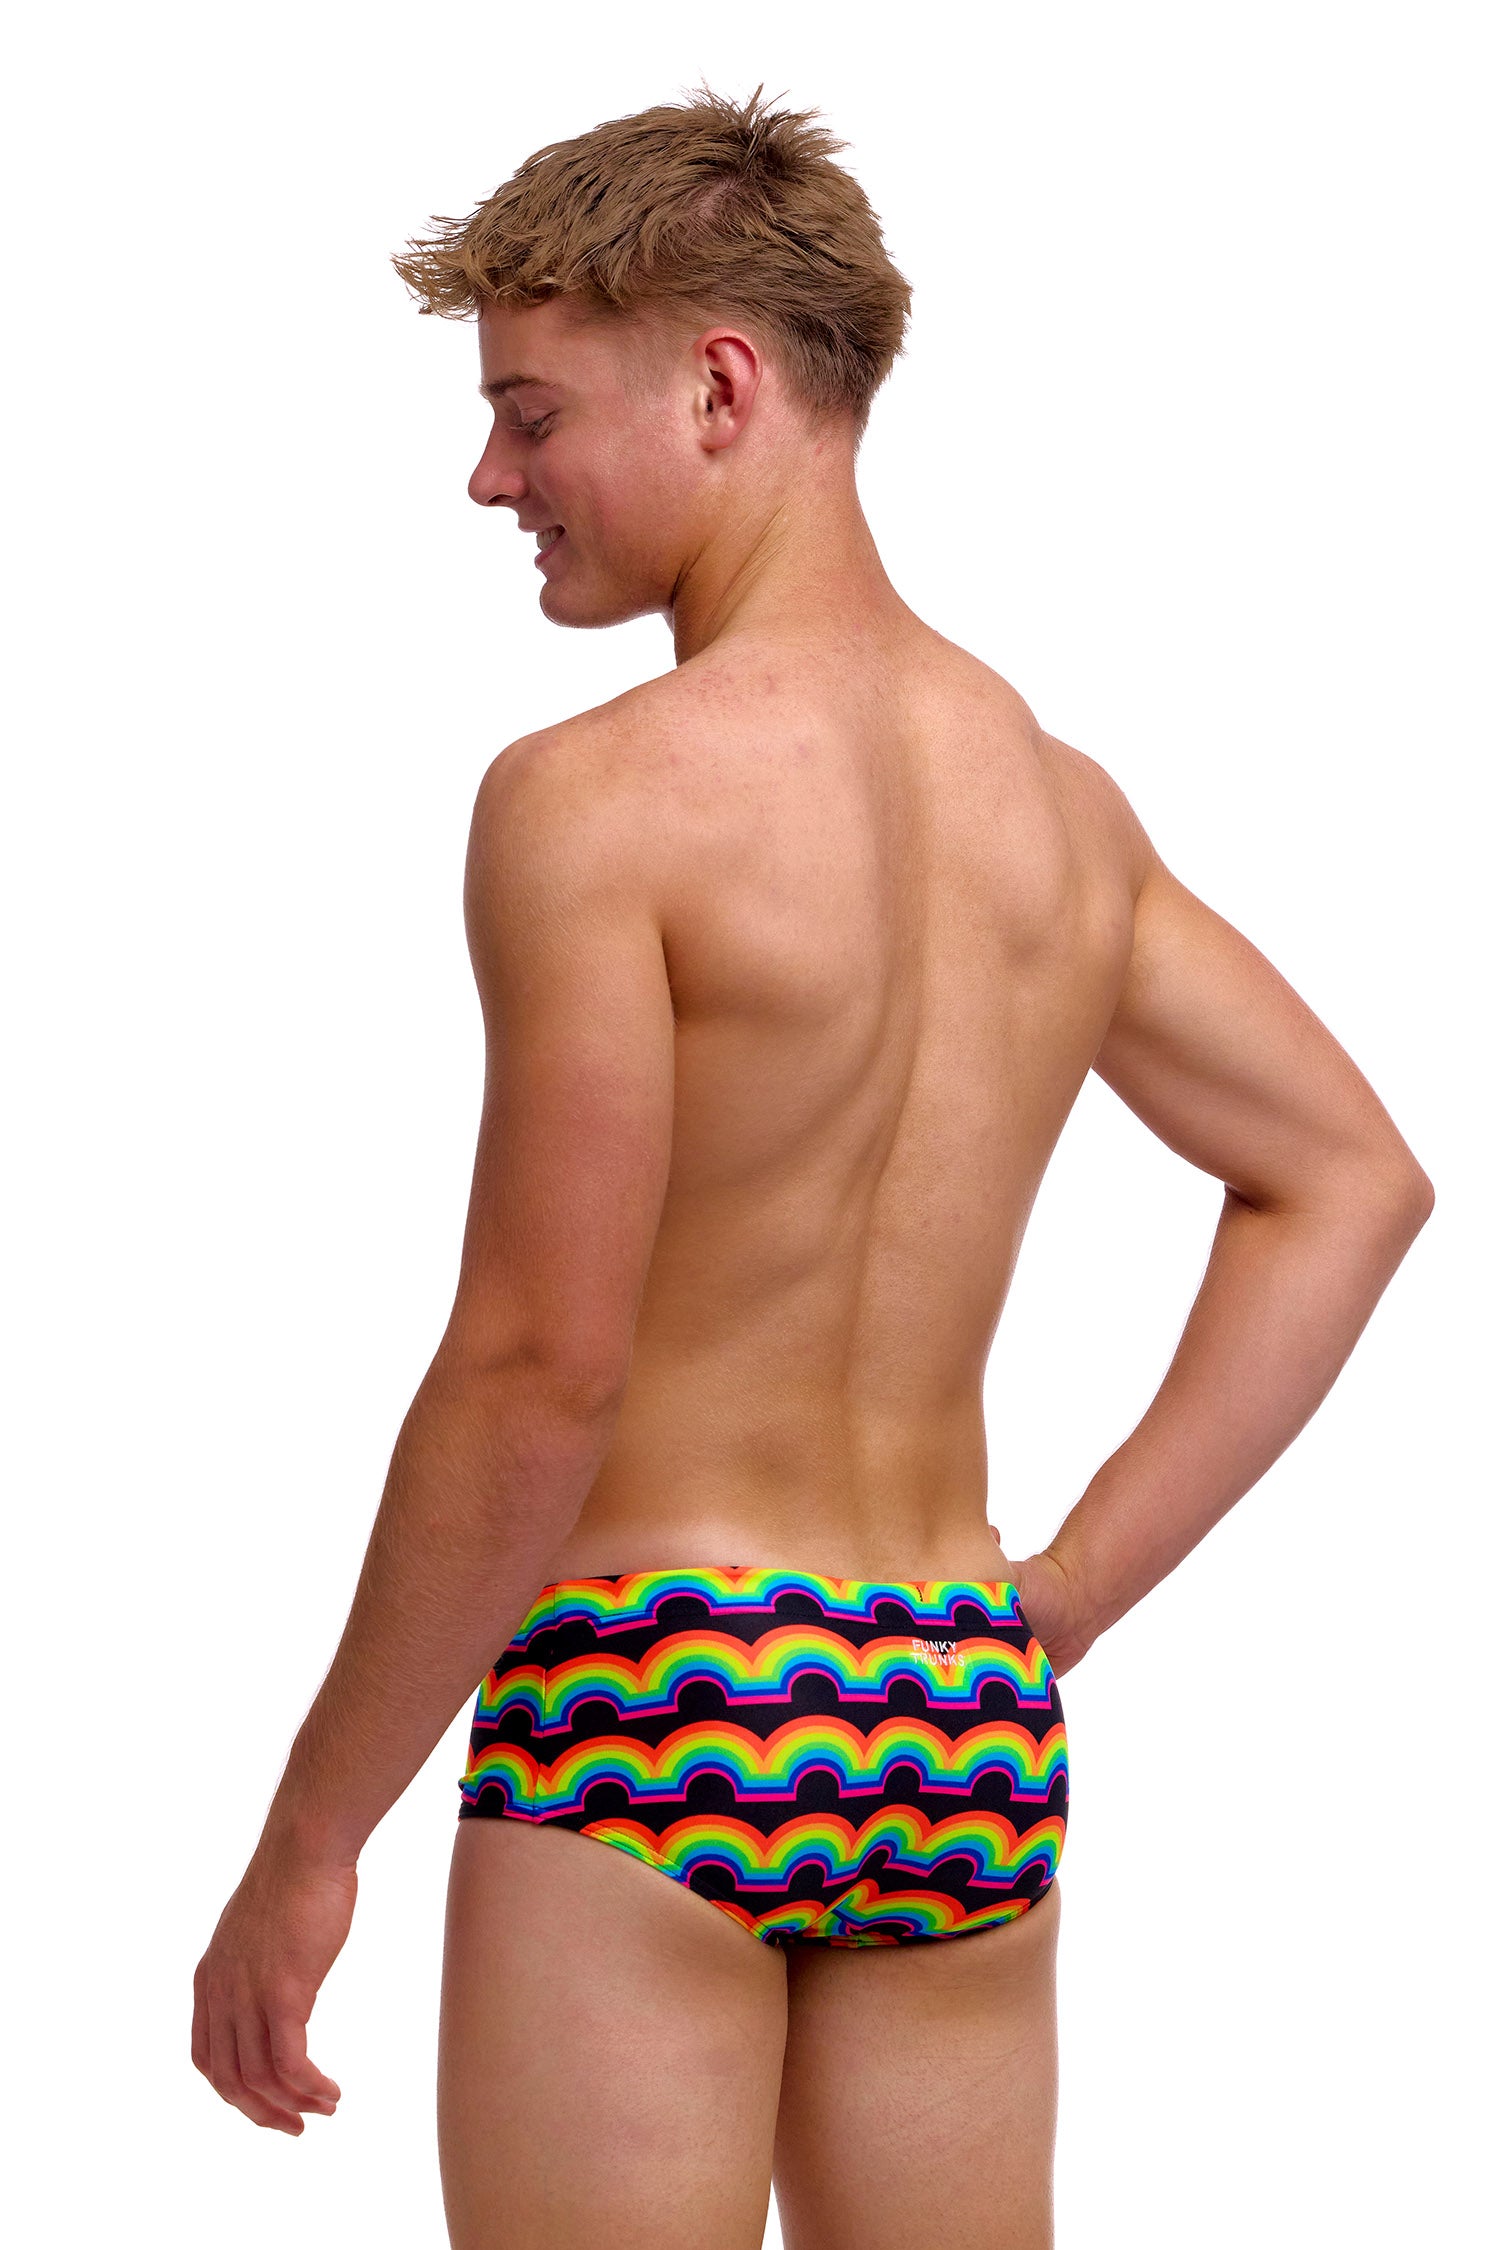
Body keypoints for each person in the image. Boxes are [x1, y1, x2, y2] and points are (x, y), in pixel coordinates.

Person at [190, 82, 1433, 2250]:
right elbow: (1348, 1175)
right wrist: (1057, 1600)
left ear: (721, 386)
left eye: (529, 416)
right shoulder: (1060, 813)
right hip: (954, 1709)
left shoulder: (596, 803)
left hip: (653, 1701)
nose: (491, 479)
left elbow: (541, 1367)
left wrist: (311, 1838)